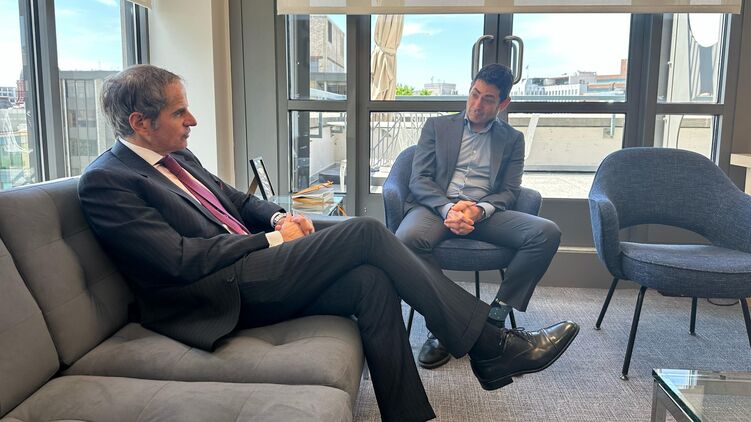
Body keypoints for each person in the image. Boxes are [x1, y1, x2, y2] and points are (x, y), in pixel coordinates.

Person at [78, 64, 579, 422]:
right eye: (179, 112)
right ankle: (490, 344)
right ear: (140, 123)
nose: (192, 120)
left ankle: (408, 413)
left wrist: (279, 215)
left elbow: (238, 200)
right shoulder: (108, 181)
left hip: (244, 270)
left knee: (371, 279)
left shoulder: (178, 157)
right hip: (213, 294)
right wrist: (273, 239)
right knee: (366, 231)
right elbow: (178, 260)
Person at [396, 64, 563, 370]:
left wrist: (478, 209)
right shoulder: (437, 126)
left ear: (503, 103)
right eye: (474, 94)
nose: (477, 104)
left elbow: (510, 191)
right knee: (406, 239)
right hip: (436, 208)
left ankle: (494, 320)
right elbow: (419, 180)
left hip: (483, 213)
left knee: (546, 232)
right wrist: (448, 209)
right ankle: (445, 325)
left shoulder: (512, 139)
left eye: (488, 99)